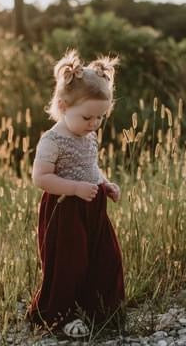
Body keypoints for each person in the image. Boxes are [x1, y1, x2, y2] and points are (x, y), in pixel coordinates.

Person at [26, 49, 125, 339]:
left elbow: (90, 167)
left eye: (100, 117)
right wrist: (74, 189)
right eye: (87, 117)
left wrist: (105, 183)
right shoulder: (53, 140)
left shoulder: (89, 135)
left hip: (92, 205)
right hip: (64, 209)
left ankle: (102, 308)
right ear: (62, 105)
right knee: (69, 262)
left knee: (106, 257)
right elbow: (40, 178)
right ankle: (58, 315)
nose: (94, 124)